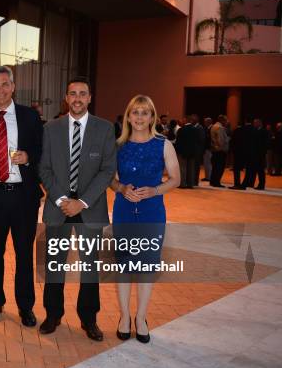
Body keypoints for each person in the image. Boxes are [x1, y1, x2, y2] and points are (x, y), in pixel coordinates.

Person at [38, 76, 116, 340]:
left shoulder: (104, 129)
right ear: (66, 97)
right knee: (54, 265)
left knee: (90, 267)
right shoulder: (51, 128)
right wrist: (62, 200)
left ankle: (88, 318)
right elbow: (44, 168)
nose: (78, 98)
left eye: (83, 93)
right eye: (73, 94)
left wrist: (81, 202)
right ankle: (52, 314)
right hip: (57, 208)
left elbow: (107, 170)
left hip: (90, 208)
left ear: (90, 97)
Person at [0, 66, 43, 327]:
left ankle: (26, 306)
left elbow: (41, 150)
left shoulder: (29, 117)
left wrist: (29, 158)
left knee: (24, 253)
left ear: (13, 87)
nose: (0, 89)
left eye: (5, 84)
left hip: (23, 196)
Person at [110, 95, 179, 344]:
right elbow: (109, 178)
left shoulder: (163, 145)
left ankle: (141, 318)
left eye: (145, 112)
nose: (139, 117)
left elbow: (175, 178)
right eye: (135, 112)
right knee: (124, 266)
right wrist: (120, 188)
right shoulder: (118, 145)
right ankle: (125, 317)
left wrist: (154, 190)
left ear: (152, 117)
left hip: (152, 212)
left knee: (147, 266)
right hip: (124, 211)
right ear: (128, 116)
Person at [244, 118, 268, 190]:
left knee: (260, 170)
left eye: (255, 123)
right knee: (253, 169)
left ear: (260, 123)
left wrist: (262, 152)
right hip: (254, 154)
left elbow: (265, 143)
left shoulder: (264, 131)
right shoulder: (255, 130)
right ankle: (251, 183)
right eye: (254, 123)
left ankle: (261, 185)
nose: (254, 124)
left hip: (260, 154)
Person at [175, 115, 197, 188]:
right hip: (192, 152)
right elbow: (198, 142)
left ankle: (182, 184)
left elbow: (178, 142)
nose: (182, 121)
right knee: (191, 168)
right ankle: (190, 184)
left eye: (183, 120)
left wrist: (177, 151)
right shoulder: (195, 129)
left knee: (182, 168)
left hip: (182, 152)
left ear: (186, 120)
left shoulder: (182, 129)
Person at [210, 115, 229, 188]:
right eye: (225, 120)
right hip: (220, 150)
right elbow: (220, 141)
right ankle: (216, 182)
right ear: (222, 120)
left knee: (215, 167)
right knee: (219, 167)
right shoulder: (220, 128)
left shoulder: (214, 126)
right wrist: (227, 140)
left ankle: (213, 181)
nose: (226, 122)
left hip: (215, 149)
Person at [201, 117, 213, 182]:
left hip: (209, 148)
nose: (204, 123)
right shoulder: (207, 128)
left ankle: (209, 177)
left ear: (208, 122)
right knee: (206, 163)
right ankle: (207, 176)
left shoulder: (211, 128)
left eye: (205, 122)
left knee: (208, 163)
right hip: (206, 148)